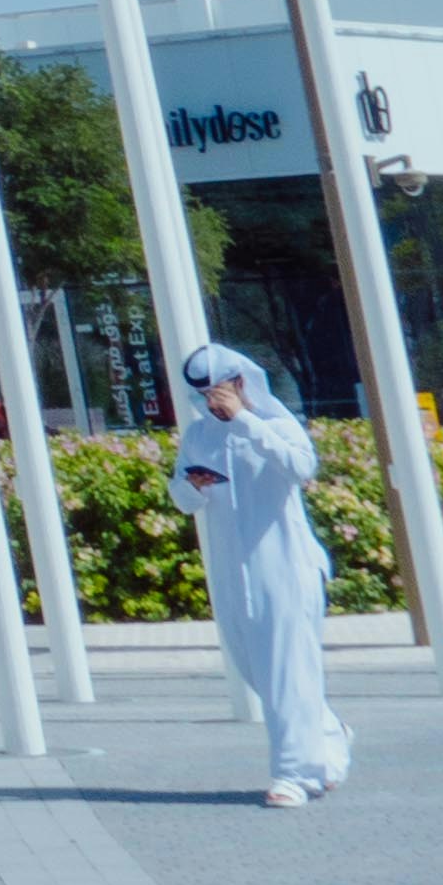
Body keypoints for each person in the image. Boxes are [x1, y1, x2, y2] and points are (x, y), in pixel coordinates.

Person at [175, 344, 350, 807]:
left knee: (287, 671)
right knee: (259, 670)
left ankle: (295, 775)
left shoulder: (274, 424)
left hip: (286, 566)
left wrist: (246, 423)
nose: (210, 402)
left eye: (216, 390)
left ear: (238, 382)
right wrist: (190, 486)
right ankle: (329, 736)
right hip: (233, 571)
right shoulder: (197, 436)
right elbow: (181, 496)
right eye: (201, 394)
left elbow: (301, 466)